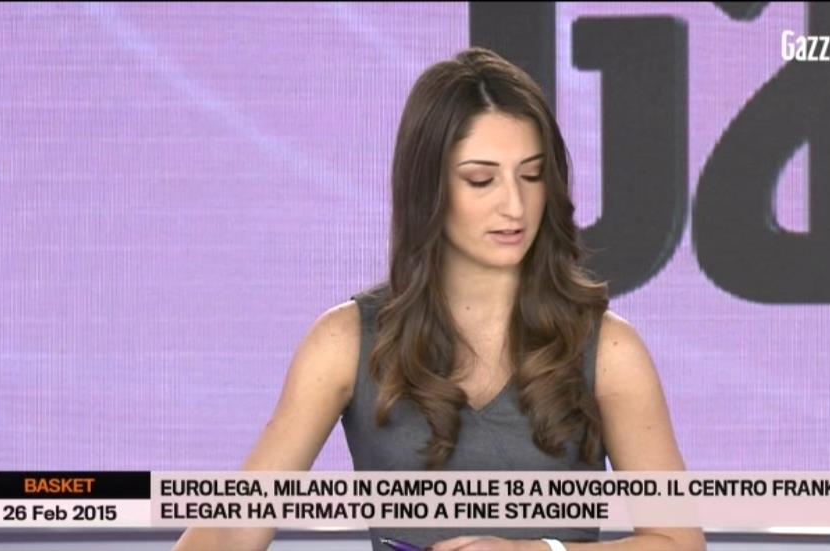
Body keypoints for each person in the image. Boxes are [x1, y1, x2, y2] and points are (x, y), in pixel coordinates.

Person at [173, 47, 705, 551]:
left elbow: (678, 542)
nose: (515, 205)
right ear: (429, 188)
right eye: (481, 180)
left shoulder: (609, 350)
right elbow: (229, 533)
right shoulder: (345, 342)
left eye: (532, 175)